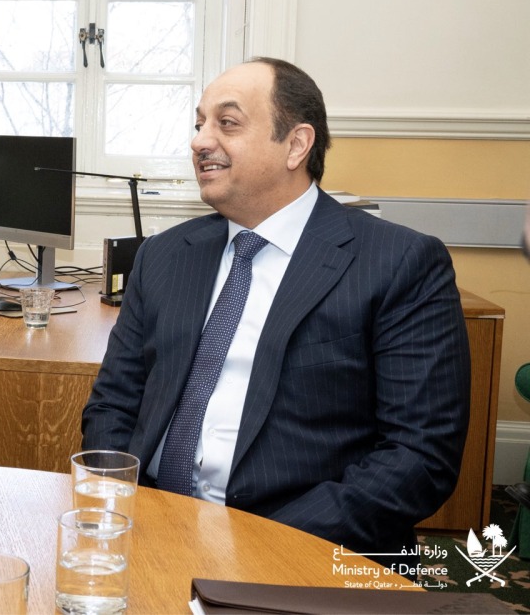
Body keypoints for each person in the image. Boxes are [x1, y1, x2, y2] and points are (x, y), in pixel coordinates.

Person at [81, 58, 470, 562]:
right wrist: (124, 505)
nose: (200, 141)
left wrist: (257, 546)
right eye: (199, 124)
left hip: (302, 546)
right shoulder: (163, 256)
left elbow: (418, 457)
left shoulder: (399, 263)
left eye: (227, 123)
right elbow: (113, 403)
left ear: (296, 144)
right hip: (150, 529)